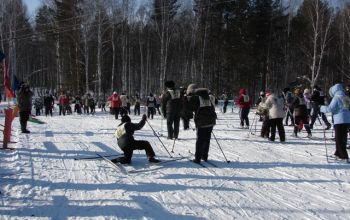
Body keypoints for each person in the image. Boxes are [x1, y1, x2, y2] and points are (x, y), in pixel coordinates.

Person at [186, 84, 217, 164]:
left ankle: (198, 158)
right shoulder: (208, 96)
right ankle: (204, 156)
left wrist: (187, 100)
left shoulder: (196, 98)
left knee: (200, 140)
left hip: (202, 121)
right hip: (211, 120)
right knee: (207, 139)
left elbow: (189, 108)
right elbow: (213, 106)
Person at [321, 84, 350, 162]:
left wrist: (322, 108)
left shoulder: (336, 98)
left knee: (339, 139)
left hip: (339, 120)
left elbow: (330, 108)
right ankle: (338, 154)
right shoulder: (346, 97)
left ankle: (344, 157)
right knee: (342, 138)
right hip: (347, 120)